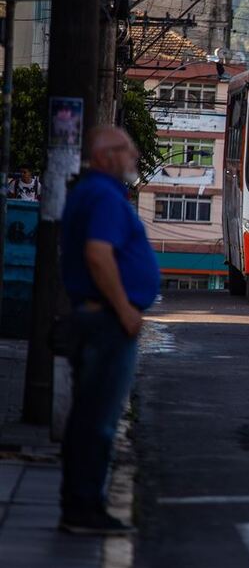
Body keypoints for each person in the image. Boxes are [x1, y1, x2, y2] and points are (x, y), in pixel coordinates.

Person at [58, 126, 161, 536]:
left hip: (99, 317)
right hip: (107, 320)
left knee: (90, 415)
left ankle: (81, 502)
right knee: (98, 419)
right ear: (105, 155)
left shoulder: (95, 192)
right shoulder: (102, 194)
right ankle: (83, 507)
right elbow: (99, 256)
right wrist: (125, 310)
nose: (134, 158)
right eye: (127, 151)